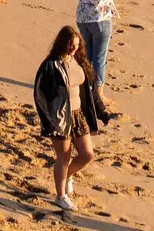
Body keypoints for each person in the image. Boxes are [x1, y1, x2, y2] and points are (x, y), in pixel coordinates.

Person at [33, 24, 105, 211]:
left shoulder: (79, 61)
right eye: (70, 44)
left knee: (87, 154)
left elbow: (91, 89)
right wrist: (48, 121)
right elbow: (40, 94)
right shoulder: (50, 65)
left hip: (78, 115)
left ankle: (67, 176)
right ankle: (60, 196)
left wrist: (101, 110)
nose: (73, 48)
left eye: (76, 44)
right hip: (60, 118)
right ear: (62, 44)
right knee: (63, 158)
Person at [75, 0, 123, 109]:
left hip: (82, 16)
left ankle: (85, 88)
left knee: (87, 55)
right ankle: (99, 95)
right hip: (100, 18)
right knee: (99, 58)